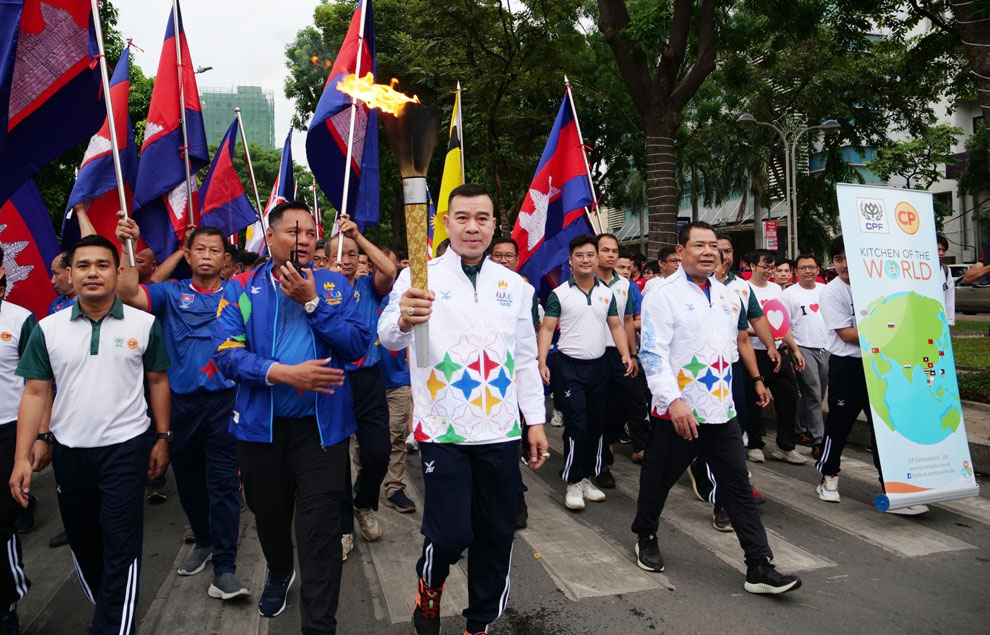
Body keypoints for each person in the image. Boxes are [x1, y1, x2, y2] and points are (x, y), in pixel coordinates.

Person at [379, 183, 548, 635]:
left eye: (482, 218)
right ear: (446, 223)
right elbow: (387, 335)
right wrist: (404, 318)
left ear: (494, 225)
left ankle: (479, 623)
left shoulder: (515, 287)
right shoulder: (418, 277)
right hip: (443, 428)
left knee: (496, 534)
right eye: (462, 217)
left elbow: (525, 359)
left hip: (500, 430)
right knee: (451, 533)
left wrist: (535, 420)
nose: (473, 227)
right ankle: (430, 588)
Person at [213, 201, 370, 631]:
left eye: (309, 234)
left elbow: (357, 345)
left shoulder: (334, 285)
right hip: (259, 431)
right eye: (292, 232)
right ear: (271, 236)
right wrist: (282, 373)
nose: (302, 240)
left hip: (323, 431)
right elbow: (225, 354)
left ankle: (319, 626)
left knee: (320, 530)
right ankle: (280, 569)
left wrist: (313, 302)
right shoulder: (241, 288)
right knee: (270, 516)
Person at [12, 234, 171, 634]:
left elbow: (157, 380)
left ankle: (112, 626)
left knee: (121, 544)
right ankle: (108, 612)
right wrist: (23, 456)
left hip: (126, 449)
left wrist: (162, 437)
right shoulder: (47, 329)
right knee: (84, 542)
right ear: (70, 273)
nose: (93, 273)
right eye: (83, 265)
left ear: (118, 273)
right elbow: (35, 392)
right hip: (70, 453)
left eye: (102, 265)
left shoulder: (144, 324)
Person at [632, 221, 801, 595]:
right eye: (699, 245)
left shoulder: (729, 295)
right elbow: (653, 353)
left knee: (738, 487)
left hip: (721, 412)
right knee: (657, 482)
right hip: (678, 413)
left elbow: (735, 345)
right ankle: (645, 535)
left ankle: (759, 565)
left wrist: (754, 380)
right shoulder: (662, 295)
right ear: (680, 251)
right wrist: (673, 401)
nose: (709, 252)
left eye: (714, 246)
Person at [115, 215, 249, 600]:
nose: (207, 256)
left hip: (225, 401)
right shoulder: (170, 293)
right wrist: (127, 245)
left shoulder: (239, 294)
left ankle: (225, 568)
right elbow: (126, 293)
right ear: (188, 256)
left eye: (214, 250)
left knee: (223, 483)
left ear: (225, 258)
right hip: (180, 404)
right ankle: (203, 541)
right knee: (189, 480)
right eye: (199, 249)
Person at [815, 236, 928, 515]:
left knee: (885, 428)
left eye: (849, 258)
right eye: (838, 259)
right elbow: (846, 334)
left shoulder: (878, 288)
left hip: (881, 365)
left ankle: (893, 487)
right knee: (839, 424)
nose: (844, 265)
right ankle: (828, 476)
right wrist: (891, 333)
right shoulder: (832, 292)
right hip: (847, 366)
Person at [538, 234, 633, 511]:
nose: (585, 259)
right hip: (569, 368)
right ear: (570, 261)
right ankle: (573, 480)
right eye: (579, 255)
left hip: (599, 367)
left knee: (596, 426)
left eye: (590, 254)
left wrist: (626, 353)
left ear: (597, 258)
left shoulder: (607, 293)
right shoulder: (559, 294)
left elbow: (616, 326)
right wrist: (542, 361)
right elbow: (547, 329)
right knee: (577, 426)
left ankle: (587, 477)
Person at [325, 213, 397, 556]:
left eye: (352, 254)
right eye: (339, 254)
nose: (346, 260)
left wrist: (357, 236)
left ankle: (363, 503)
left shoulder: (369, 288)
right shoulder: (318, 287)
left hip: (369, 379)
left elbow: (390, 271)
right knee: (336, 460)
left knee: (378, 453)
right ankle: (343, 528)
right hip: (332, 381)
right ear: (326, 259)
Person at [0, 251, 40, 634]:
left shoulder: (19, 320)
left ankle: (6, 606)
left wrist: (39, 437)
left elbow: (38, 383)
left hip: (10, 431)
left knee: (1, 522)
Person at [744, 250, 806, 465]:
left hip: (779, 352)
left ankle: (786, 446)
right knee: (755, 400)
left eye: (772, 268)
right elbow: (741, 327)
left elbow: (783, 323)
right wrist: (764, 334)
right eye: (765, 267)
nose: (770, 272)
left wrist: (794, 349)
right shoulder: (744, 289)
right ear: (752, 266)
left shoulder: (776, 290)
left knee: (789, 396)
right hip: (754, 352)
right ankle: (755, 445)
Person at [593, 234, 639, 488]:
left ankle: (607, 441)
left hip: (618, 353)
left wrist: (632, 354)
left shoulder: (624, 285)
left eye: (614, 251)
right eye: (605, 250)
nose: (610, 255)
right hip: (593, 353)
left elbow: (628, 320)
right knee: (597, 406)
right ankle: (599, 462)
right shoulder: (585, 281)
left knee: (623, 403)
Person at [783, 253, 828, 459]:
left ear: (818, 269)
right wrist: (794, 350)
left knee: (817, 393)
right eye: (803, 268)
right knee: (812, 391)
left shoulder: (826, 291)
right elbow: (784, 325)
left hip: (827, 348)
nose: (807, 271)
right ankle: (818, 440)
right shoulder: (789, 294)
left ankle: (799, 427)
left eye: (811, 267)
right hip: (802, 348)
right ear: (796, 271)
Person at [936, 234, 955, 326]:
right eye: (938, 249)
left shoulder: (946, 270)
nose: (941, 253)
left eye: (943, 250)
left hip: (940, 318)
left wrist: (949, 321)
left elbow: (949, 296)